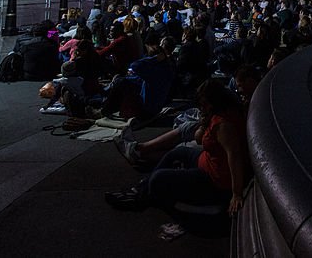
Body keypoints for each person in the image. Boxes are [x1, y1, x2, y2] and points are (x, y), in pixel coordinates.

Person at [106, 79, 250, 217]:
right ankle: (141, 188)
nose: (202, 108)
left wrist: (236, 193)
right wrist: (204, 123)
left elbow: (234, 156)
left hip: (214, 179)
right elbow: (200, 139)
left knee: (158, 179)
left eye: (204, 104)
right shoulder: (214, 116)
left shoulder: (223, 126)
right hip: (206, 161)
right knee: (176, 153)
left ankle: (141, 196)